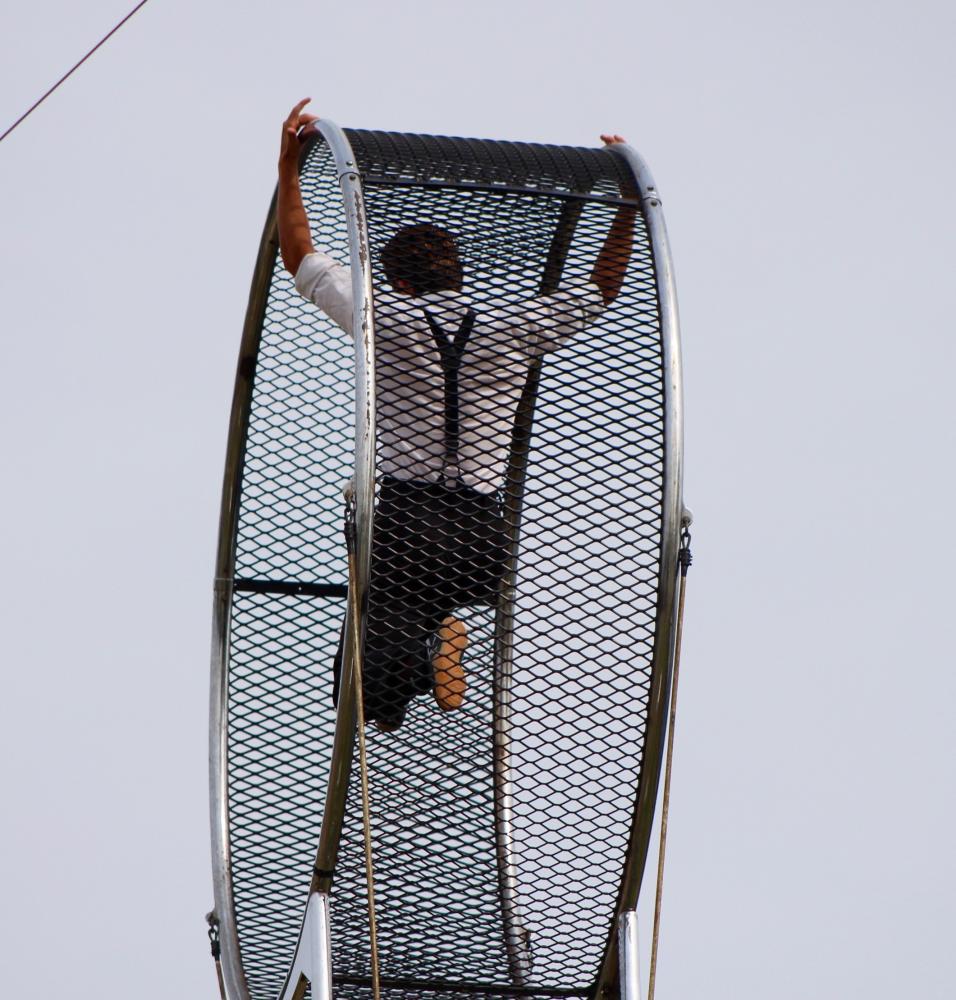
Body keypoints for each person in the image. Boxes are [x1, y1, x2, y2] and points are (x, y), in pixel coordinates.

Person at [277, 98, 636, 730]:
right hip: (480, 534)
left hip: (408, 521)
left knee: (367, 700)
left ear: (399, 283)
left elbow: (301, 257)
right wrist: (626, 203)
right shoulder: (513, 322)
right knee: (425, 601)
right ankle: (443, 622)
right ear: (457, 276)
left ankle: (424, 648)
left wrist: (287, 169)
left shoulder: (382, 315)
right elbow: (601, 289)